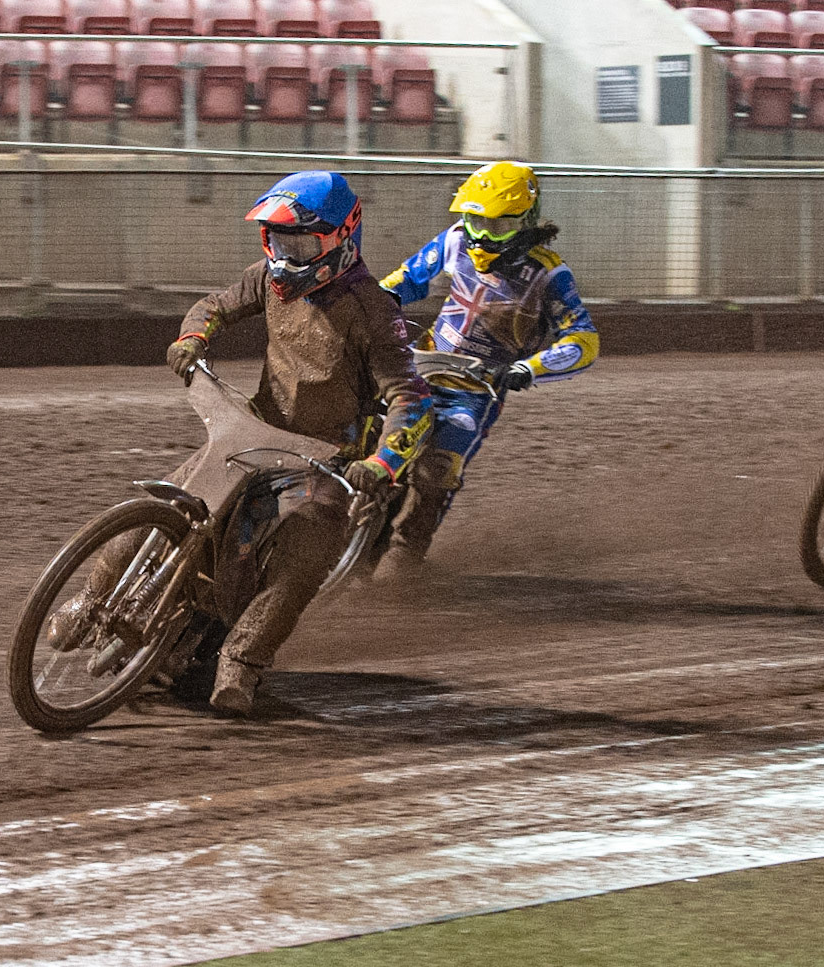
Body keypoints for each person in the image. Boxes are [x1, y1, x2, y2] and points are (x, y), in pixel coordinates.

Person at [52, 170, 434, 717]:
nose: (285, 255)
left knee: (304, 557)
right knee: (167, 501)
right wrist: (192, 337)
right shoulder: (265, 277)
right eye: (277, 241)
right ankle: (91, 601)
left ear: (341, 239)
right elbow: (215, 305)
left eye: (300, 243)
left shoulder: (375, 312)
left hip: (324, 459)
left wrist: (383, 462)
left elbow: (411, 399)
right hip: (251, 432)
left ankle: (241, 661)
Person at [375, 160, 598, 577]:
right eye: (474, 220)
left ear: (524, 221)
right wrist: (365, 307)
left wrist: (529, 369)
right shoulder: (455, 240)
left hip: (476, 389)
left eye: (497, 227)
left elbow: (583, 338)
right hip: (416, 365)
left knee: (437, 468)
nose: (481, 235)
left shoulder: (549, 273)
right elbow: (403, 280)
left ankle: (405, 552)